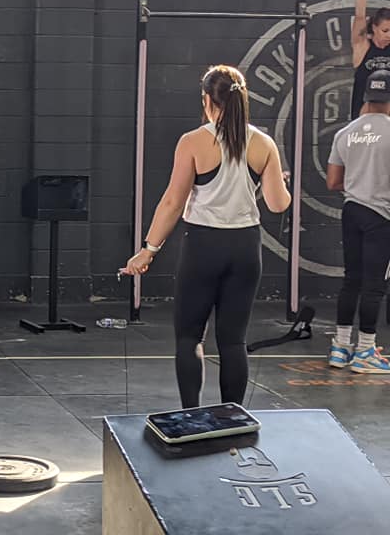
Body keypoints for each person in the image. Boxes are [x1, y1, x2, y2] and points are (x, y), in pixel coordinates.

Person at [124, 65, 290, 408]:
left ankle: (191, 416)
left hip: (203, 246)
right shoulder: (264, 144)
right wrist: (281, 182)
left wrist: (148, 250)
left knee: (189, 337)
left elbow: (173, 202)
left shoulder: (193, 142)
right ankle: (233, 418)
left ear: (207, 100)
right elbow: (278, 204)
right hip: (245, 247)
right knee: (233, 341)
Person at [326, 69, 390, 373]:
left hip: (352, 211)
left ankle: (340, 348)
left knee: (351, 280)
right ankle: (365, 351)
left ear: (367, 96)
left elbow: (333, 181)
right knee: (374, 285)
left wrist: (360, 184)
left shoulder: (346, 132)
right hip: (382, 216)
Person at [350, 0, 390, 119]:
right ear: (374, 27)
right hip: (363, 118)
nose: (389, 35)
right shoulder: (363, 47)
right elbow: (360, 16)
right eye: (385, 30)